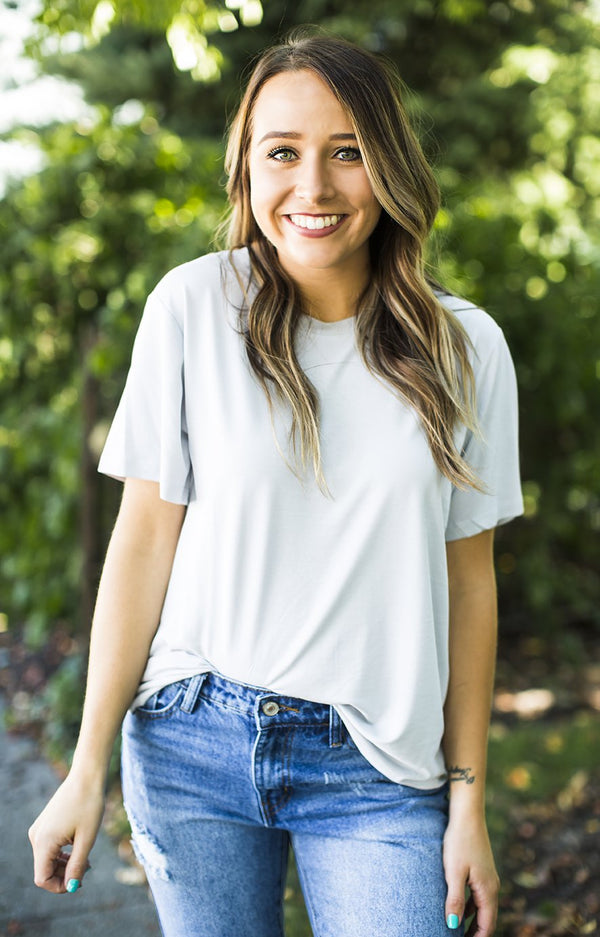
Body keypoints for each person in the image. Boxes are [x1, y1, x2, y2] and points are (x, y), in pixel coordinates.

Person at [28, 32, 523, 937]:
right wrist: (85, 766)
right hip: (190, 739)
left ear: (392, 165)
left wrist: (468, 801)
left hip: (378, 770)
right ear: (246, 170)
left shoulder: (466, 347)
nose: (314, 188)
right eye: (282, 152)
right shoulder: (189, 308)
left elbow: (469, 579)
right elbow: (142, 539)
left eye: (349, 152)